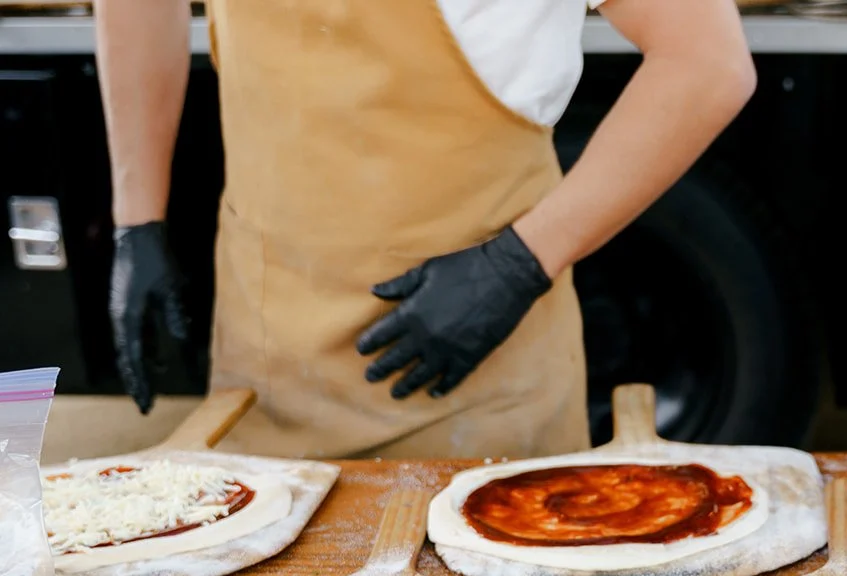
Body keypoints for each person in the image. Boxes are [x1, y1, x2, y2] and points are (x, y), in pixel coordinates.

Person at [98, 0, 756, 459]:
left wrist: (520, 262)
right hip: (267, 371)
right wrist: (137, 222)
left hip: (476, 399)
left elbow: (705, 63)